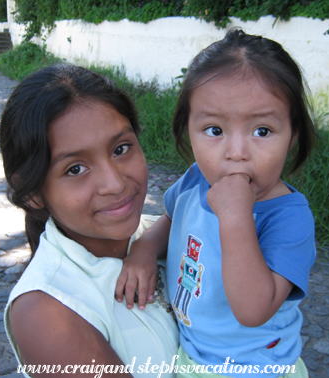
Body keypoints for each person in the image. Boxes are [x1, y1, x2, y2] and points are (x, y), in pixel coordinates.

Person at [116, 29, 317, 377]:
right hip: (191, 354)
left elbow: (254, 309)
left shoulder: (289, 218)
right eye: (214, 130)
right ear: (188, 131)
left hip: (254, 368)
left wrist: (236, 217)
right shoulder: (196, 179)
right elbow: (170, 217)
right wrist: (144, 251)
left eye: (263, 131)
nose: (236, 153)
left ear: (292, 135)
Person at [0, 64, 178, 377]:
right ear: (32, 194)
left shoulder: (164, 232)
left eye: (121, 149)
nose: (115, 184)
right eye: (75, 169)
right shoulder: (48, 311)